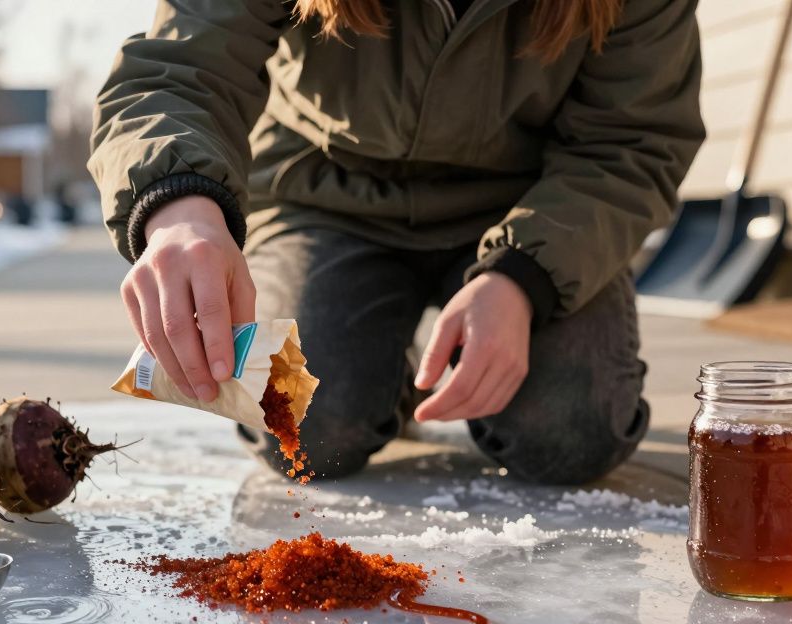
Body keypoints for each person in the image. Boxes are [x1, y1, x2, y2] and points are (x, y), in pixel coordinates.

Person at [89, 0, 704, 483]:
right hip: (324, 198)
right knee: (305, 423)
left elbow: (634, 143)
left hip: (535, 208)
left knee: (571, 432)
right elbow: (179, 70)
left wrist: (524, 279)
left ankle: (448, 342)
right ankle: (381, 366)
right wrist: (179, 205)